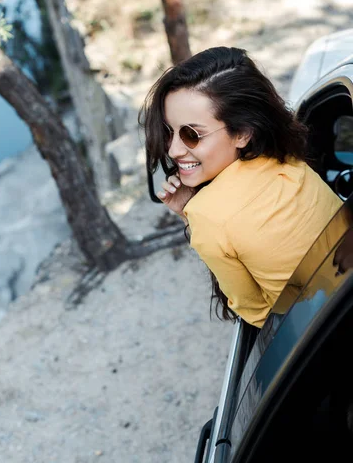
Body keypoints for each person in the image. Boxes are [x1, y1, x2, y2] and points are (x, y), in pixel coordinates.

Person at [139, 46, 343, 328]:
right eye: (169, 131)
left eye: (192, 134)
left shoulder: (210, 217)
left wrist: (195, 213)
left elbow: (259, 315)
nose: (173, 149)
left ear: (244, 132)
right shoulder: (289, 161)